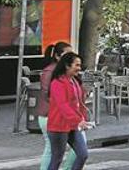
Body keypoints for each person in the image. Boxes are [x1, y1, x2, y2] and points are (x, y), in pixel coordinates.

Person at [47, 52, 90, 170]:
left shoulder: (75, 81)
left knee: (83, 154)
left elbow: (79, 103)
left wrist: (83, 119)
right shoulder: (57, 83)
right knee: (57, 159)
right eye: (76, 65)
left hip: (74, 126)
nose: (79, 68)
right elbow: (63, 105)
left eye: (80, 65)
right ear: (67, 66)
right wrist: (78, 120)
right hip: (58, 126)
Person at [38, 42, 77, 170]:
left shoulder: (65, 72)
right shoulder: (50, 71)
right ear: (57, 56)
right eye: (67, 54)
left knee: (76, 148)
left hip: (61, 116)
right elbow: (47, 94)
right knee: (52, 149)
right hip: (50, 116)